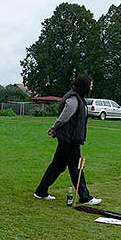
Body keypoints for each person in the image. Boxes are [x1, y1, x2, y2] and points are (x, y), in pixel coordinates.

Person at [34, 74, 102, 205]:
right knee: (76, 168)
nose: (91, 88)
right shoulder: (74, 99)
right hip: (70, 140)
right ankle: (85, 197)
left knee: (57, 166)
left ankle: (41, 191)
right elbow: (64, 117)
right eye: (90, 85)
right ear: (84, 85)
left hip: (69, 138)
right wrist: (54, 128)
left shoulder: (78, 97)